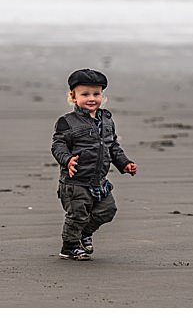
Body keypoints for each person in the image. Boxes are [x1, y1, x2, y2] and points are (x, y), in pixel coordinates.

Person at [51, 68, 138, 260]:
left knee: (107, 210)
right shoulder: (67, 122)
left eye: (96, 94)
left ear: (102, 96)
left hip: (98, 180)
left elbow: (112, 146)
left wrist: (124, 163)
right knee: (77, 215)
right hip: (75, 182)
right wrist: (67, 159)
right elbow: (58, 145)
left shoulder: (106, 120)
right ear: (73, 97)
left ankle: (84, 234)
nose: (92, 98)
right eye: (85, 94)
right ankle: (70, 246)